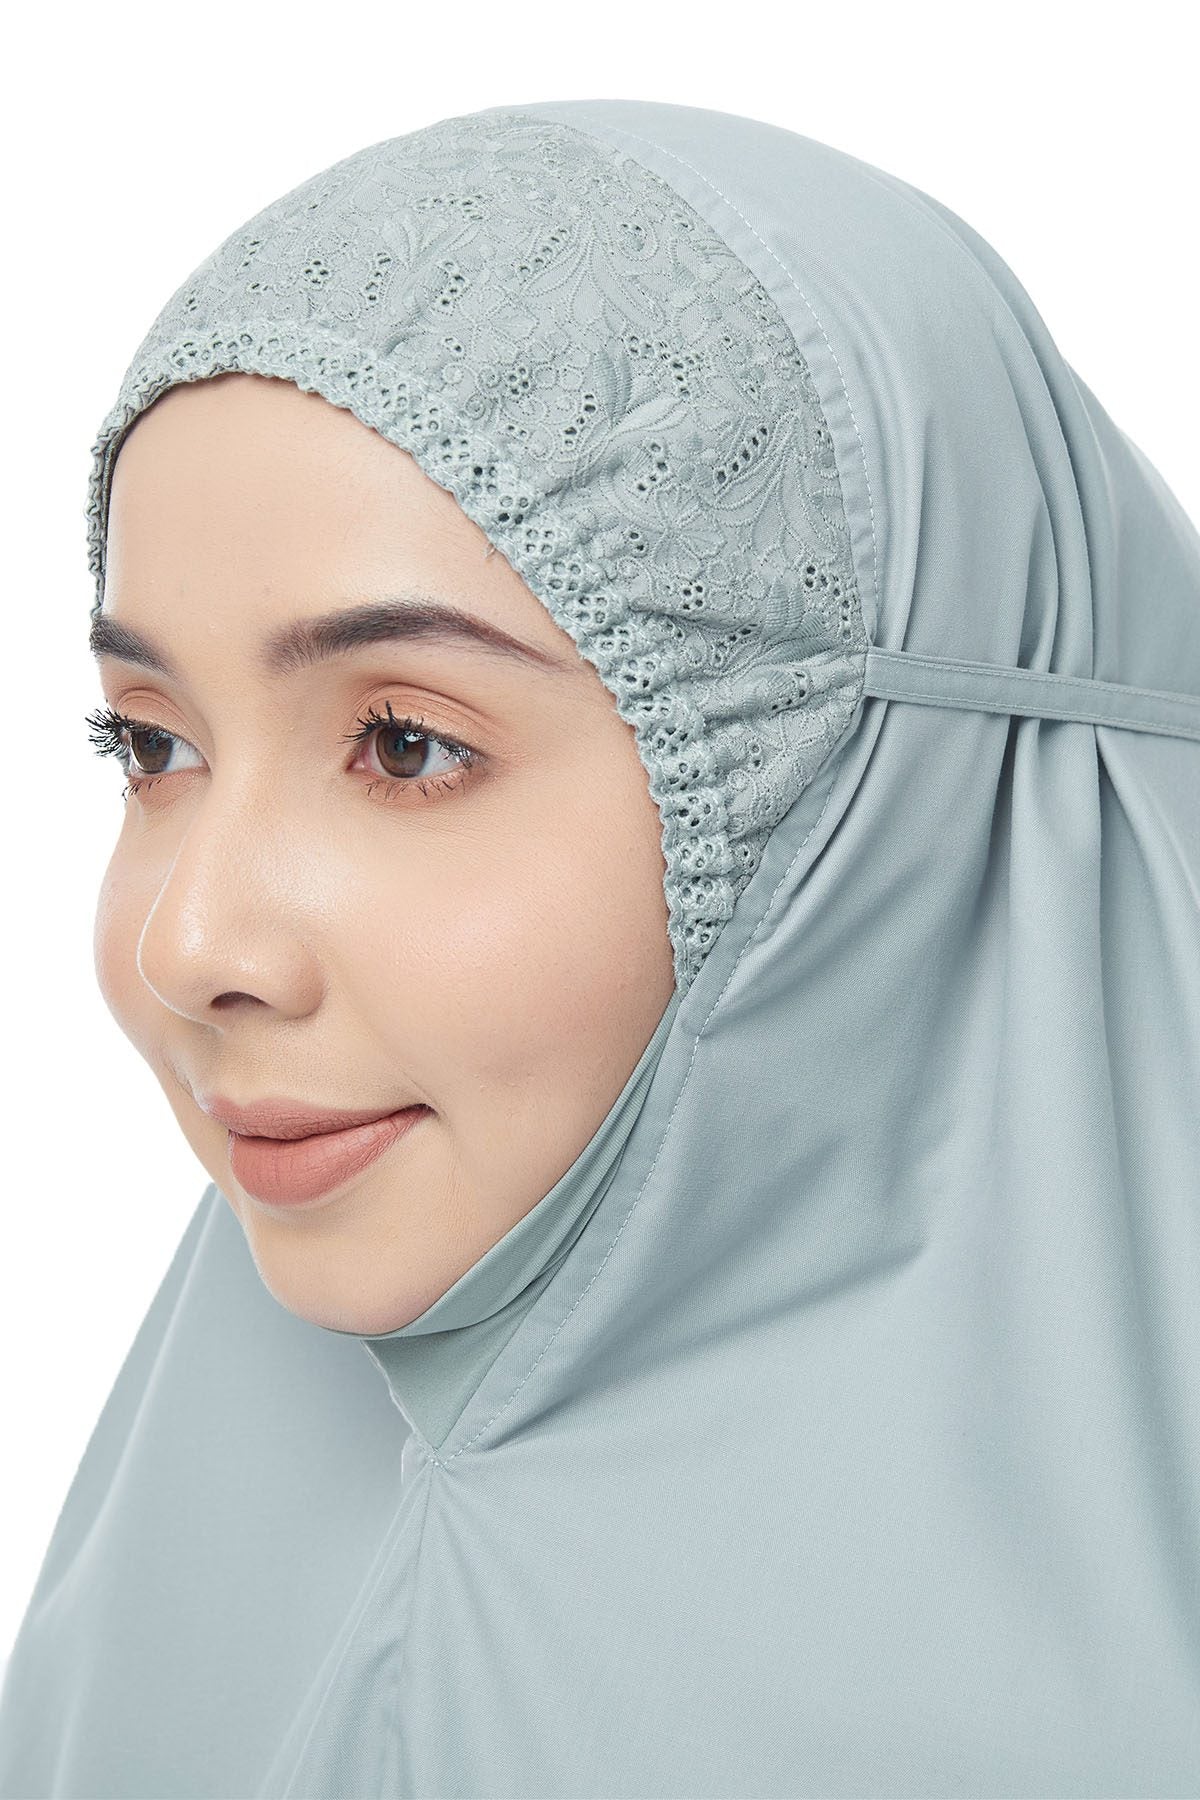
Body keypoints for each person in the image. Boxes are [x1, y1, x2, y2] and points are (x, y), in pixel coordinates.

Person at [1, 96, 1198, 1799]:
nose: (190, 946)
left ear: (868, 811)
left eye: (405, 744)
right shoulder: (165, 1570)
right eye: (152, 745)